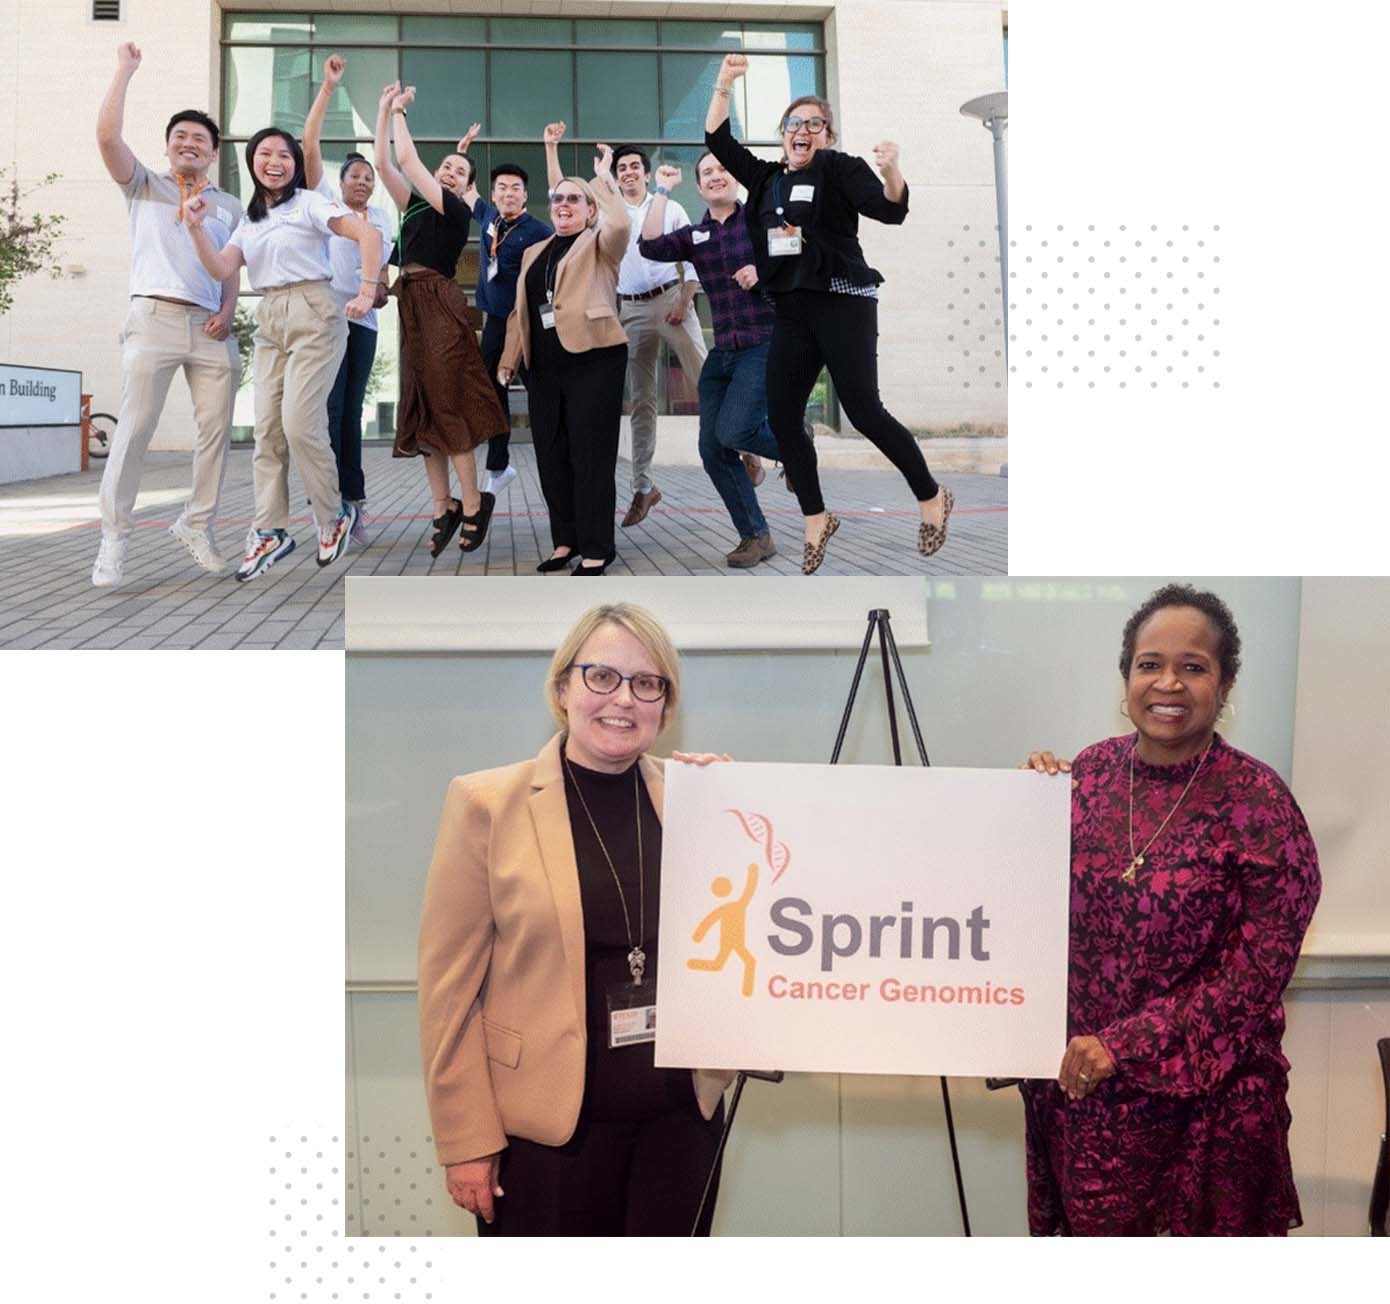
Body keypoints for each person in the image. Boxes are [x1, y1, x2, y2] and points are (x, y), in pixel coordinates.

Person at [418, 602, 735, 1235]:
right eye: (602, 677)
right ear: (563, 688)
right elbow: (447, 993)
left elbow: (748, 931)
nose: (624, 699)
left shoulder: (699, 800)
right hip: (544, 1141)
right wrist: (465, 1140)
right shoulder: (487, 803)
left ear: (664, 706)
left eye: (648, 684)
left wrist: (740, 812)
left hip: (680, 1125)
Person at [1020, 583, 1321, 1235]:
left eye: (1194, 666)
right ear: (1126, 675)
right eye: (1150, 664)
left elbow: (1253, 977)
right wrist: (1024, 806)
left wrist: (1122, 1045)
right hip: (1086, 1103)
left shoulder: (1260, 803)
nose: (1168, 683)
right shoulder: (1088, 775)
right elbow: (1026, 906)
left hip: (1207, 1118)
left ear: (1225, 682)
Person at [705, 53, 953, 574]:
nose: (803, 131)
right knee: (783, 417)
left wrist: (891, 172)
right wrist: (725, 83)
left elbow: (888, 208)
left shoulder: (839, 169)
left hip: (843, 301)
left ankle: (931, 497)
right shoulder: (768, 179)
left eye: (814, 124)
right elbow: (718, 141)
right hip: (792, 312)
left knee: (864, 411)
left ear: (828, 135)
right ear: (783, 136)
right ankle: (816, 516)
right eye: (793, 124)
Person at [183, 128, 380, 581]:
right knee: (267, 432)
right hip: (271, 315)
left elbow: (365, 235)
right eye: (265, 154)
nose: (275, 161)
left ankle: (333, 516)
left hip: (314, 310)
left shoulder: (309, 203)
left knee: (299, 422)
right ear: (252, 161)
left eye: (285, 155)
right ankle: (270, 530)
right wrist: (195, 228)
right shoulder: (249, 220)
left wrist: (368, 291)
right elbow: (220, 267)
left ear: (295, 162)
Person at [92, 41, 242, 588]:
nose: (189, 143)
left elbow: (231, 270)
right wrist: (124, 71)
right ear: (168, 147)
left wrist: (228, 310)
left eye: (199, 139)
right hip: (152, 318)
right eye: (180, 136)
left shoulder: (227, 204)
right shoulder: (144, 185)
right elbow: (108, 138)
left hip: (209, 326)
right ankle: (114, 537)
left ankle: (196, 524)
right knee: (133, 430)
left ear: (212, 152)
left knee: (215, 433)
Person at [374, 83, 506, 558]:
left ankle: (473, 504)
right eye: (446, 166)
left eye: (459, 170)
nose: (450, 172)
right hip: (410, 302)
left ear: (465, 185)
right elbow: (385, 163)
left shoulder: (452, 208)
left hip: (439, 300)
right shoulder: (412, 208)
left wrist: (401, 114)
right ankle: (441, 505)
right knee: (420, 408)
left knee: (448, 405)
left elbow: (407, 160)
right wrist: (383, 109)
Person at [548, 134, 708, 530]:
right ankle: (642, 487)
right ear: (615, 178)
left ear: (647, 173)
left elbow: (693, 260)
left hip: (671, 300)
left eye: (635, 167)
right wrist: (557, 153)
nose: (629, 172)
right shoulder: (607, 213)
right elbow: (560, 194)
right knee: (641, 402)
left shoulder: (666, 206)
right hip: (630, 309)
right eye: (622, 169)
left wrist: (685, 301)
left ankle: (746, 450)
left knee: (708, 379)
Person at [638, 157, 784, 569]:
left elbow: (797, 253)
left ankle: (794, 443)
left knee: (735, 429)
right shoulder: (696, 234)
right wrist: (662, 192)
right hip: (724, 351)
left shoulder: (761, 220)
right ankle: (756, 535)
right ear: (700, 188)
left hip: (764, 341)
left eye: (723, 169)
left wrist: (764, 271)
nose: (716, 175)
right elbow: (648, 245)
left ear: (734, 179)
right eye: (706, 173)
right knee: (712, 449)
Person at [498, 134, 629, 576]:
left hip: (594, 360)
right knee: (552, 456)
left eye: (575, 199)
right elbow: (521, 315)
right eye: (558, 199)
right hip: (545, 369)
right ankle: (565, 541)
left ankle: (597, 547)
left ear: (590, 210)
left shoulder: (601, 244)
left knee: (591, 454)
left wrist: (605, 179)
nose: (564, 204)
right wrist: (507, 361)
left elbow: (621, 225)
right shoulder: (535, 252)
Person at [302, 53, 396, 548]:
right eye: (355, 177)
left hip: (364, 326)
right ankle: (329, 503)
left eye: (368, 179)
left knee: (351, 410)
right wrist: (328, 89)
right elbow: (310, 144)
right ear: (341, 182)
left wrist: (379, 290)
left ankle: (354, 503)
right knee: (329, 409)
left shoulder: (382, 219)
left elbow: (382, 276)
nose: (362, 183)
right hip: (325, 320)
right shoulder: (325, 202)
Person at [463, 161, 552, 497]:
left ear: (525, 195)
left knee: (540, 390)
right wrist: (462, 153)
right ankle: (499, 466)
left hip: (526, 324)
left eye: (515, 188)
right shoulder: (489, 217)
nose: (508, 193)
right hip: (495, 322)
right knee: (490, 391)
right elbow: (467, 190)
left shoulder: (540, 231)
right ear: (495, 194)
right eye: (502, 187)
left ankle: (553, 453)